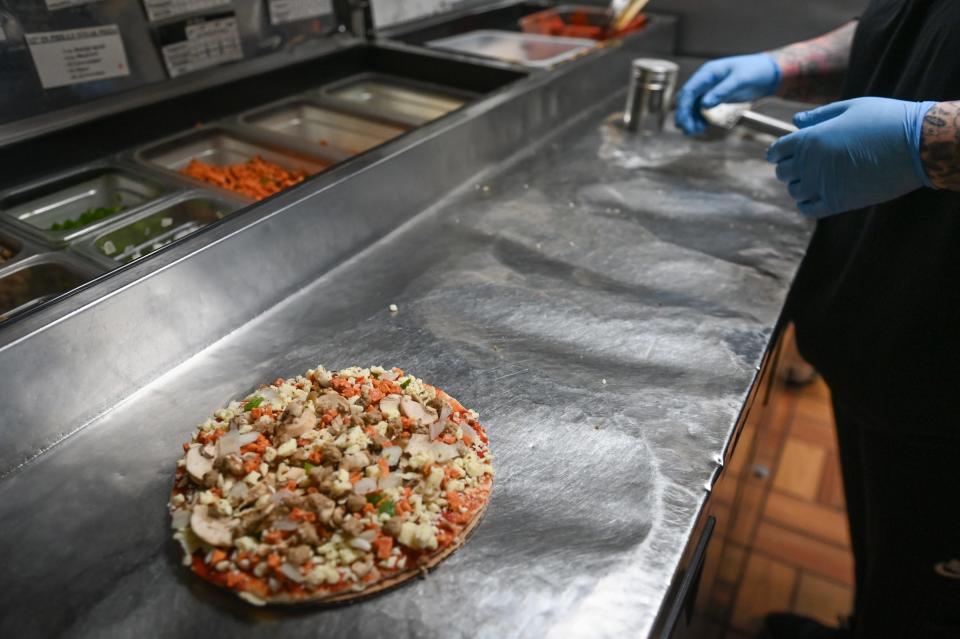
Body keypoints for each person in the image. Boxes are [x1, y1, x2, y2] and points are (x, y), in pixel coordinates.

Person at [675, 3, 960, 639]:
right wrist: (784, 66)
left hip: (950, 385)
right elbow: (913, 26)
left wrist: (930, 136)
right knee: (890, 551)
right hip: (884, 331)